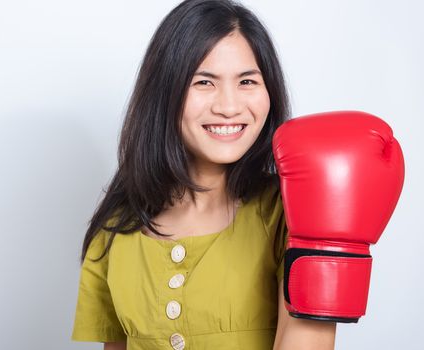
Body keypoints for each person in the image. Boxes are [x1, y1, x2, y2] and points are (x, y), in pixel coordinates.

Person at [71, 0, 336, 349]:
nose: (228, 106)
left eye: (247, 81)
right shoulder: (115, 229)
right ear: (164, 92)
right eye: (204, 82)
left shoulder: (294, 216)